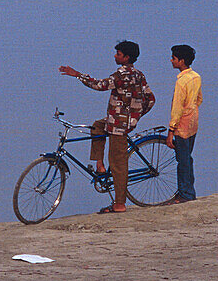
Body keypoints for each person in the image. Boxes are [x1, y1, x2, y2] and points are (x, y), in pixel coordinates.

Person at [59, 40, 155, 213]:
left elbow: (99, 85)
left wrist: (77, 75)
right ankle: (100, 165)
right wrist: (135, 116)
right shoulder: (139, 75)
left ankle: (119, 204)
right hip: (115, 121)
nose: (115, 56)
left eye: (118, 54)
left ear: (126, 57)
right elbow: (151, 99)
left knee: (118, 164)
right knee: (97, 126)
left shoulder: (121, 75)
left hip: (119, 126)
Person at [165, 44, 202, 204]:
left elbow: (177, 108)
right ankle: (189, 191)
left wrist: (171, 130)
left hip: (182, 125)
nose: (171, 60)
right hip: (193, 122)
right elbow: (199, 99)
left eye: (173, 58)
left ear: (181, 61)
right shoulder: (196, 77)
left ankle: (185, 193)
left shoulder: (182, 82)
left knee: (183, 160)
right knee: (188, 157)